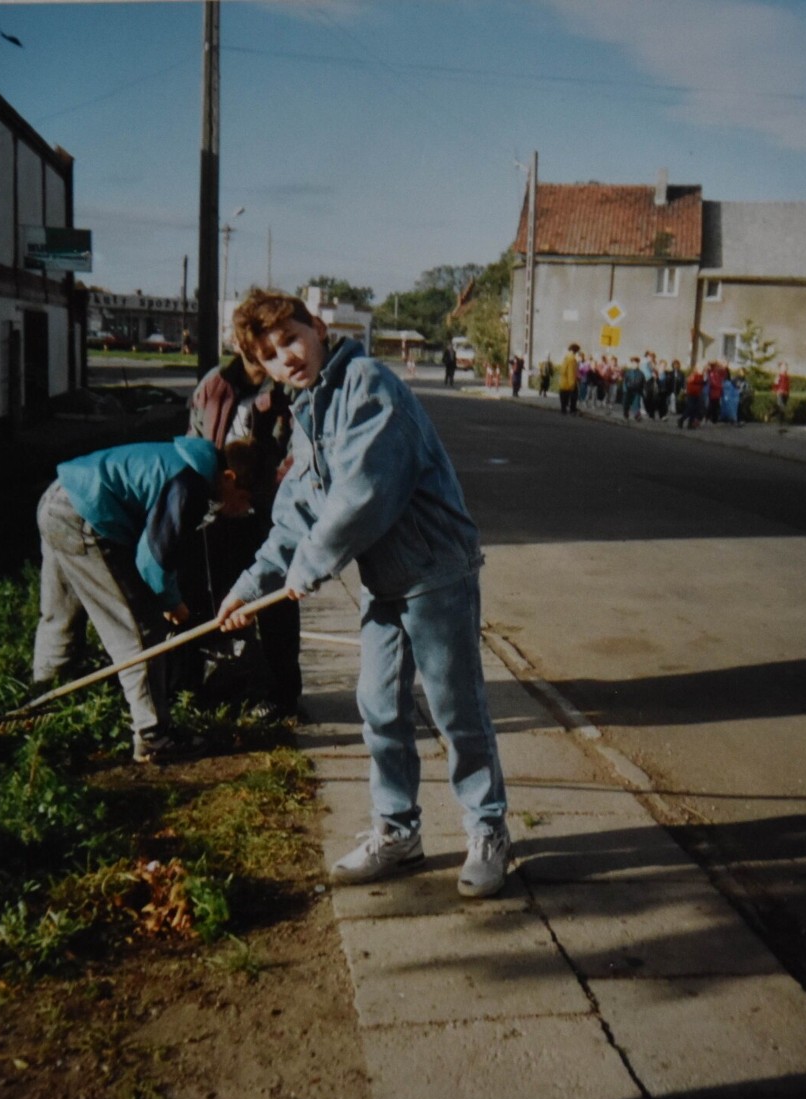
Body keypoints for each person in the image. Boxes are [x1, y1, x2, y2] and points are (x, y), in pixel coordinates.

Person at [216, 290, 510, 899]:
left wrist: (309, 570)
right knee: (378, 708)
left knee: (457, 710)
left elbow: (365, 493)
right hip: (385, 581)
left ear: (319, 329)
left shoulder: (369, 384)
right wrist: (248, 589)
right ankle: (398, 832)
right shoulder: (307, 413)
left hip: (435, 571)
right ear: (263, 367)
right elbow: (298, 510)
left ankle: (488, 832)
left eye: (292, 339)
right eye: (270, 354)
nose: (286, 357)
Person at [33, 437, 261, 763]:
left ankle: (43, 706)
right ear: (229, 479)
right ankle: (154, 735)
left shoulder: (187, 461)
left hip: (57, 498)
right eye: (243, 500)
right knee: (139, 631)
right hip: (86, 514)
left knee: (60, 614)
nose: (241, 510)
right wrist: (172, 603)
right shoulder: (190, 483)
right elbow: (151, 560)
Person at [183, 349, 302, 719]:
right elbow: (194, 438)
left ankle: (283, 696)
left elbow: (302, 448)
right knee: (221, 600)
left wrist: (276, 490)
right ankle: (231, 686)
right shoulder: (213, 385)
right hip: (223, 508)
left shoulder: (286, 387)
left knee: (277, 602)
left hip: (269, 511)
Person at [678, 364, 705, 429]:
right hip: (691, 393)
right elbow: (691, 381)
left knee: (695, 409)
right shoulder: (694, 375)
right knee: (690, 408)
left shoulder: (700, 376)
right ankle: (681, 419)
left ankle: (690, 423)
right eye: (700, 369)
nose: (701, 370)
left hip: (697, 393)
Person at [621, 355, 645, 421]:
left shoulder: (641, 373)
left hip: (637, 391)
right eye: (633, 363)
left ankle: (637, 415)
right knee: (626, 403)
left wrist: (642, 391)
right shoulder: (628, 372)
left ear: (638, 364)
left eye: (636, 363)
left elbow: (643, 383)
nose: (635, 365)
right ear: (631, 364)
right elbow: (625, 381)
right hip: (628, 390)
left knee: (636, 403)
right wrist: (625, 389)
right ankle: (626, 413)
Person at [559, 342, 579, 414]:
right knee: (573, 395)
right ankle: (572, 409)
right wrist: (572, 384)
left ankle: (563, 409)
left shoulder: (566, 358)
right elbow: (571, 372)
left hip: (563, 381)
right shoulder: (572, 360)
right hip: (569, 382)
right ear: (575, 351)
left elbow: (562, 370)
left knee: (563, 396)